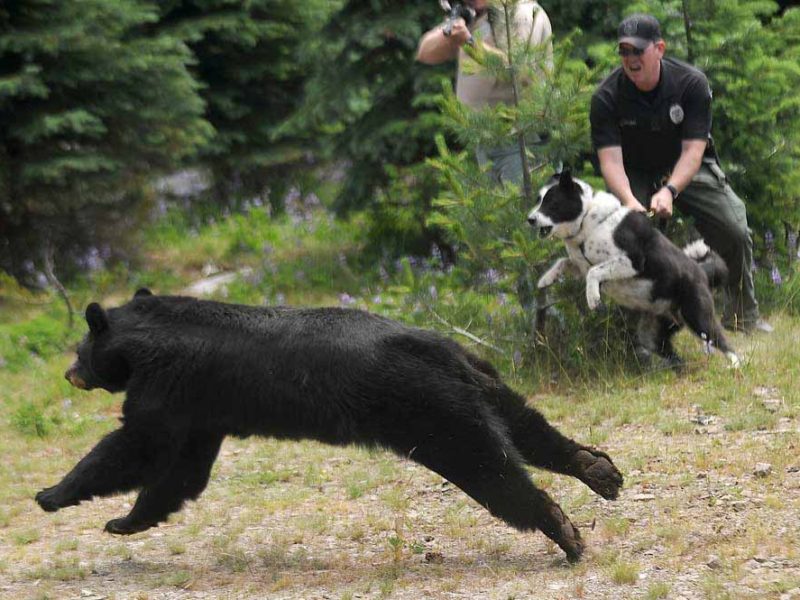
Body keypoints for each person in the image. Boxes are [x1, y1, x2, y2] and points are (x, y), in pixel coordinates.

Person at [590, 13, 772, 333]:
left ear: (659, 48)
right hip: (635, 173)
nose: (630, 59)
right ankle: (635, 332)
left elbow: (693, 151)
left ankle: (744, 316)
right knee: (622, 236)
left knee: (734, 226)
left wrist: (670, 190)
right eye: (624, 52)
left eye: (638, 50)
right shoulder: (606, 96)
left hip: (686, 166)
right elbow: (610, 162)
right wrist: (631, 202)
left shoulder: (690, 83)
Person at [416, 0, 553, 187]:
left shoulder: (521, 13)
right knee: (502, 214)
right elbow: (426, 52)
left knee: (528, 211)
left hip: (522, 140)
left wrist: (470, 43)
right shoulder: (477, 15)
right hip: (488, 141)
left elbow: (518, 71)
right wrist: (453, 31)